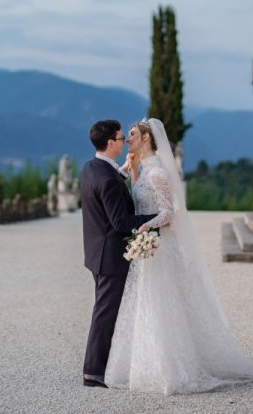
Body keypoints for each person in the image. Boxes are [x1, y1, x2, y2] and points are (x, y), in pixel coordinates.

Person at [105, 118, 253, 394]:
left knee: (163, 301)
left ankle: (172, 366)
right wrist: (131, 173)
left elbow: (169, 212)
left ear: (146, 139)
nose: (127, 139)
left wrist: (146, 226)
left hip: (160, 246)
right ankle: (145, 363)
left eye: (132, 134)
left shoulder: (158, 173)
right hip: (148, 246)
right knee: (147, 301)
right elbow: (142, 201)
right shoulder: (143, 171)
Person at [80, 119, 156, 388]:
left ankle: (103, 365)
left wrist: (124, 171)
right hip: (110, 258)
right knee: (105, 314)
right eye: (121, 138)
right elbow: (121, 222)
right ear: (111, 143)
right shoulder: (108, 179)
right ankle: (93, 372)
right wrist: (158, 218)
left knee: (105, 311)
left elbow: (108, 183)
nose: (125, 141)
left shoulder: (92, 168)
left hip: (95, 254)